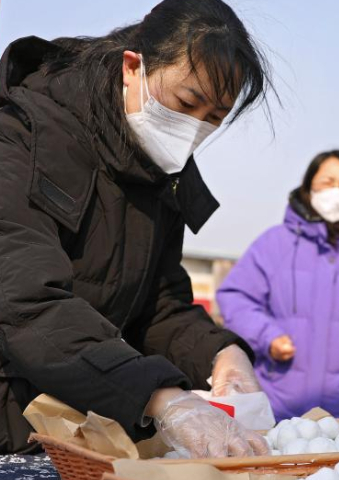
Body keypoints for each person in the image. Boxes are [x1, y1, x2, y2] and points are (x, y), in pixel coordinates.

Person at [0, 0, 274, 458]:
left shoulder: (162, 176)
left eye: (212, 118)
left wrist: (222, 354)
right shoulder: (22, 135)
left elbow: (159, 307)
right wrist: (160, 397)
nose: (193, 128)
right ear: (133, 67)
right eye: (186, 103)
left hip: (64, 433)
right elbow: (26, 302)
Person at [217, 150, 339, 423]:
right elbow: (236, 298)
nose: (337, 191)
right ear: (308, 188)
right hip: (276, 403)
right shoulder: (273, 244)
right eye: (328, 182)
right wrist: (267, 336)